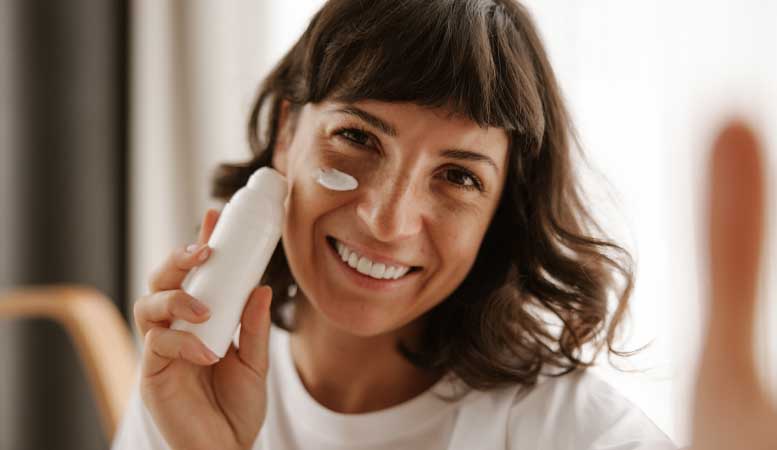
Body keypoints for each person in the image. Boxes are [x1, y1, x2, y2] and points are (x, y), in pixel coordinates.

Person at [112, 0, 684, 448]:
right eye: (357, 137)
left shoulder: (585, 436)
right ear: (287, 133)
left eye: (458, 176)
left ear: (503, 207)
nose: (387, 222)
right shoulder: (193, 379)